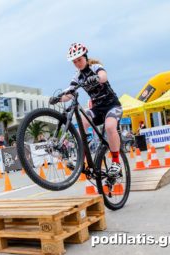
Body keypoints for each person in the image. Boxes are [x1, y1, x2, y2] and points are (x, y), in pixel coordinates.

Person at [50, 43, 123, 177]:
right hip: (96, 109)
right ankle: (81, 161)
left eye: (79, 60)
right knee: (81, 126)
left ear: (85, 57)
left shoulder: (95, 67)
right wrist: (58, 98)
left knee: (110, 127)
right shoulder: (77, 76)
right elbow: (70, 93)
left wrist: (96, 77)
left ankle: (116, 162)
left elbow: (103, 76)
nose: (77, 63)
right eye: (75, 61)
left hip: (112, 106)